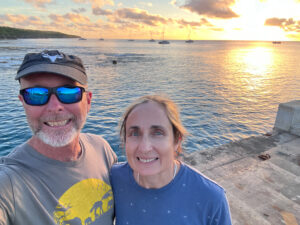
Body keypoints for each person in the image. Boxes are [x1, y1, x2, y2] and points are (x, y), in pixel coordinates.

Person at [0, 50, 117, 225]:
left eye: (69, 93)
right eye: (36, 94)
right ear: (23, 102)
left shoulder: (101, 148)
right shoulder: (9, 182)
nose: (55, 107)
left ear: (88, 101)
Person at [110, 95, 232, 225]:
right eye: (134, 133)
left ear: (176, 140)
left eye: (157, 133)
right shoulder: (114, 178)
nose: (144, 147)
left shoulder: (211, 198)